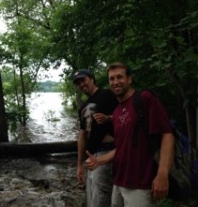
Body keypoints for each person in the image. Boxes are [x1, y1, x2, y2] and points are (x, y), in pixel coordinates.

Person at [85, 62, 175, 207]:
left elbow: (167, 135)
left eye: (119, 77)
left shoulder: (145, 99)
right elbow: (122, 148)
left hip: (140, 184)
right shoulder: (117, 111)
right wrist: (99, 161)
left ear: (129, 79)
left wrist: (162, 175)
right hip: (118, 182)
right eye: (112, 79)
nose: (115, 82)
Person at [73, 69, 118, 207]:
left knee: (102, 196)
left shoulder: (107, 94)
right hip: (90, 155)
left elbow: (126, 115)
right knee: (91, 197)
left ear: (92, 79)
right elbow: (82, 136)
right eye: (78, 83)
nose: (81, 84)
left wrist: (109, 118)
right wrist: (79, 165)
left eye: (83, 80)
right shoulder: (83, 107)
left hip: (107, 151)